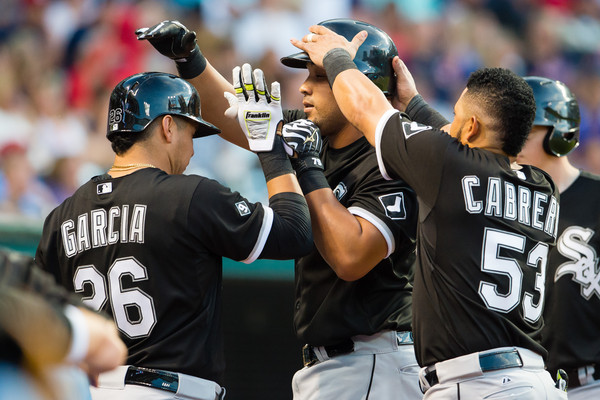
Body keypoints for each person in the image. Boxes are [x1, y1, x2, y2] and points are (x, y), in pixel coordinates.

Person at [136, 19, 422, 399]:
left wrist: (306, 167)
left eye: (320, 76)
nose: (304, 85)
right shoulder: (314, 133)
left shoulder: (393, 156)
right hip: (336, 365)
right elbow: (234, 118)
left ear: (360, 84)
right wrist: (191, 60)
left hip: (374, 359)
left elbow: (350, 257)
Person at [290, 26, 569, 399]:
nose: (445, 126)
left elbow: (364, 107)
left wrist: (336, 58)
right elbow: (461, 148)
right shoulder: (542, 185)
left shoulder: (446, 165)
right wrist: (418, 105)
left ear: (471, 128)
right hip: (536, 380)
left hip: (478, 383)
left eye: (456, 117)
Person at [35, 71, 313, 400]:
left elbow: (44, 321)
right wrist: (272, 151)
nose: (193, 151)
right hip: (170, 390)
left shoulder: (61, 216)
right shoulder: (190, 196)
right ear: (168, 127)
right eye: (190, 134)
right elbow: (295, 232)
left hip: (90, 390)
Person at [517, 76, 600, 399]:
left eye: (526, 129)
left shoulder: (596, 198)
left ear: (559, 133)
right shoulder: (502, 203)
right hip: (523, 385)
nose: (513, 140)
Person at [0, 247, 127, 400]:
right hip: (105, 368)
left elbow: (38, 283)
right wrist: (78, 332)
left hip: (101, 367)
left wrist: (96, 327)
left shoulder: (55, 223)